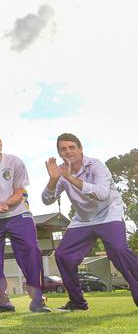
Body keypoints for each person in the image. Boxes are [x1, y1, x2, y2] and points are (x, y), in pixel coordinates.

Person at [42, 133, 138, 311]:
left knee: (118, 250)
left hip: (108, 214)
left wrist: (70, 178)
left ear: (80, 149)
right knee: (63, 255)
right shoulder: (60, 173)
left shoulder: (96, 165)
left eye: (72, 147)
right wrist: (53, 180)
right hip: (84, 220)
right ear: (59, 153)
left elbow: (102, 194)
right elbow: (47, 200)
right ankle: (77, 302)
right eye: (63, 149)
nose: (68, 151)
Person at [0, 130, 50, 313]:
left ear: (1, 145)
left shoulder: (15, 162)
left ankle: (37, 300)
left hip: (19, 214)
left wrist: (6, 203)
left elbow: (19, 192)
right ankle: (1, 303)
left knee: (31, 251)